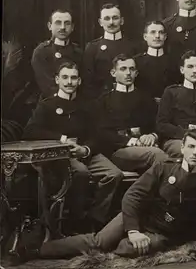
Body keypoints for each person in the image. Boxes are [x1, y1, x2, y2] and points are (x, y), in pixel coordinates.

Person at [32, 130, 196, 259]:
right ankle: (39, 249)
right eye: (191, 147)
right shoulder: (163, 168)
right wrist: (133, 229)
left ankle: (128, 241)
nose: (195, 153)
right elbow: (133, 196)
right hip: (139, 215)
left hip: (164, 233)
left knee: (125, 249)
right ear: (182, 148)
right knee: (99, 242)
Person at [23, 62, 123, 233]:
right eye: (65, 77)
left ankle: (95, 220)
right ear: (57, 79)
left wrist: (86, 149)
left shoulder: (89, 106)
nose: (69, 82)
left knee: (114, 174)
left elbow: (99, 134)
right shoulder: (47, 105)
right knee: (81, 173)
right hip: (61, 155)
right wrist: (61, 139)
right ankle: (75, 222)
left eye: (73, 78)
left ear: (79, 81)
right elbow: (30, 131)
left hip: (86, 152)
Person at [95, 54, 168, 174]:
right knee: (158, 155)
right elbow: (102, 133)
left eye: (132, 69)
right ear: (113, 73)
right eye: (123, 69)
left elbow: (158, 124)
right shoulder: (103, 101)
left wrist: (152, 135)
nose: (128, 73)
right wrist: (130, 141)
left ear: (136, 73)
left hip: (146, 147)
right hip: (119, 150)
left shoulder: (146, 98)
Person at [81, 3, 138, 100]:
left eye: (115, 18)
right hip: (101, 100)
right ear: (100, 22)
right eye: (107, 19)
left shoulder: (133, 46)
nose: (111, 22)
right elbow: (88, 80)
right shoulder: (92, 48)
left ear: (122, 21)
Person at [32, 9, 82, 98]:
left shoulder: (78, 51)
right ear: (49, 26)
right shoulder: (42, 51)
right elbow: (47, 85)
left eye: (67, 23)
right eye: (58, 23)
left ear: (72, 27)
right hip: (52, 102)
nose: (62, 27)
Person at [134, 21, 175, 99]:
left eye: (161, 32)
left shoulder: (173, 62)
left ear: (165, 37)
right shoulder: (136, 62)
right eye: (153, 32)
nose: (157, 36)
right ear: (145, 37)